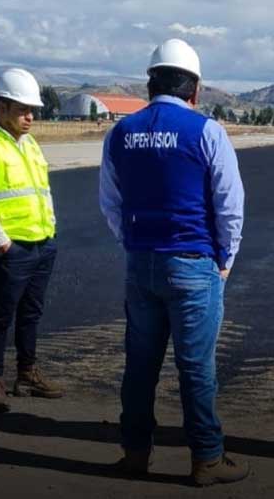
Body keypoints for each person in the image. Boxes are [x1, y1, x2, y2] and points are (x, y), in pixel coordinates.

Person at [99, 38, 249, 486]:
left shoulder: (121, 133)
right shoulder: (206, 132)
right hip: (193, 264)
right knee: (196, 368)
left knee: (140, 365)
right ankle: (206, 458)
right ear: (195, 89)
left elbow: (110, 201)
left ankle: (135, 453)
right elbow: (229, 205)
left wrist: (133, 243)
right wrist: (225, 258)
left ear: (150, 84)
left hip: (141, 263)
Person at [0, 68, 63, 412]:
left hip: (42, 243)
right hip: (11, 249)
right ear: (2, 107)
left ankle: (26, 373)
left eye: (32, 110)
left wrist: (51, 229)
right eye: (22, 110)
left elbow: (42, 191)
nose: (30, 117)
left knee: (31, 313)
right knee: (1, 316)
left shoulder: (30, 144)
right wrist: (2, 241)